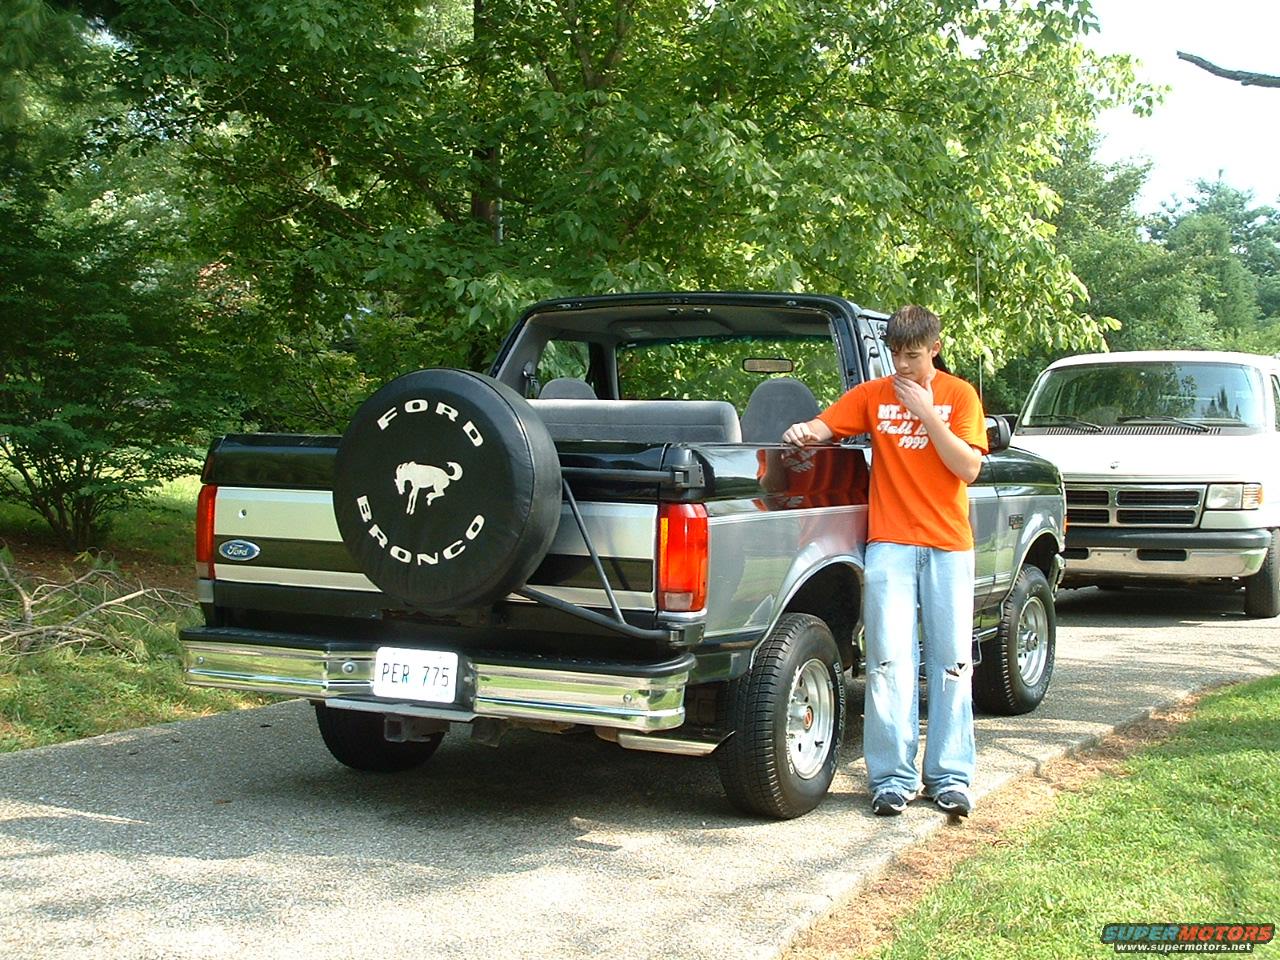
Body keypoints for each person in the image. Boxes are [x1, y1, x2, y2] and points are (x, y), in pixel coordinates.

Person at [781, 305, 987, 818]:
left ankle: (950, 778)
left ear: (934, 349)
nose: (902, 365)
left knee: (951, 664)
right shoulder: (876, 394)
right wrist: (805, 431)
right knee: (890, 664)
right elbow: (828, 424)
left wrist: (924, 413)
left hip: (947, 546)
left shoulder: (959, 395)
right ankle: (892, 779)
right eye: (895, 354)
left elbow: (969, 467)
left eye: (912, 356)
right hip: (890, 545)